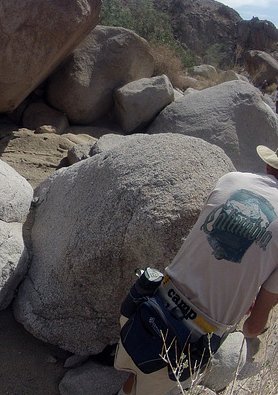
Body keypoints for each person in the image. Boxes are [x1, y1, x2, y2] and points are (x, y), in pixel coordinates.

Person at [114, 144, 278, 395]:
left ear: (269, 165)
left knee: (136, 374)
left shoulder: (231, 180)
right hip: (187, 340)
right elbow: (252, 328)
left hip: (146, 306)